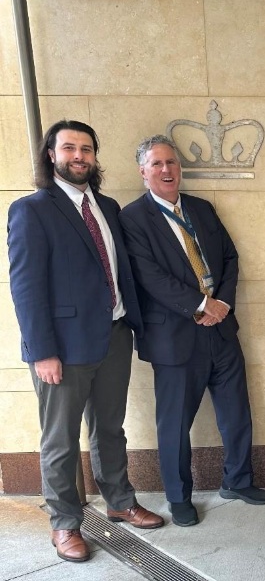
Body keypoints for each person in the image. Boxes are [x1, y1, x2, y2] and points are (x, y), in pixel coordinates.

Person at [7, 120, 164, 563]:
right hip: (63, 348)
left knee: (110, 429)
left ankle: (119, 500)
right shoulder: (31, 210)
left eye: (87, 149)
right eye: (70, 148)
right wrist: (42, 352)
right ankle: (64, 524)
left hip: (113, 336)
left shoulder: (109, 207)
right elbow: (26, 287)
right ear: (51, 155)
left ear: (95, 157)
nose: (80, 156)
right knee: (60, 440)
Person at [119, 134, 265, 528]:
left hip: (221, 331)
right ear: (143, 172)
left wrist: (221, 305)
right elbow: (148, 276)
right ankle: (178, 497)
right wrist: (202, 305)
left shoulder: (202, 209)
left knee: (236, 414)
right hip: (174, 338)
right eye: (157, 164)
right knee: (174, 426)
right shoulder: (133, 218)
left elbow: (230, 258)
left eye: (171, 163)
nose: (166, 170)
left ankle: (237, 481)